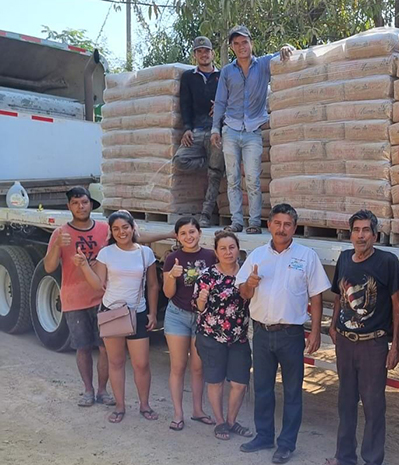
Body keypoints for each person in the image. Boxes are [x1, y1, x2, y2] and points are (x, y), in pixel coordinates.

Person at [44, 186, 171, 408]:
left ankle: (103, 391)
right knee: (83, 347)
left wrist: (168, 234)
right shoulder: (61, 233)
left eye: (84, 202)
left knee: (106, 350)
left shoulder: (105, 228)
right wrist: (56, 246)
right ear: (69, 206)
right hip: (75, 299)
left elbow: (136, 238)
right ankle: (88, 390)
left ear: (91, 204)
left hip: (106, 301)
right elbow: (49, 267)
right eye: (75, 203)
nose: (80, 207)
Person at [235, 203, 331, 464]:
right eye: (277, 223)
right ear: (269, 225)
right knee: (262, 388)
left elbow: (316, 296)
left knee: (292, 392)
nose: (282, 229)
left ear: (294, 228)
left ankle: (286, 444)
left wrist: (315, 332)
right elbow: (243, 293)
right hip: (262, 333)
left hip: (291, 334)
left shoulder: (307, 256)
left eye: (287, 224)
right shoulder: (257, 256)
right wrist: (249, 284)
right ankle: (264, 436)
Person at [325, 210, 399, 465]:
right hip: (345, 343)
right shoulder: (344, 258)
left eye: (366, 230)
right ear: (350, 235)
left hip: (373, 344)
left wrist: (395, 346)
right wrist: (333, 326)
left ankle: (372, 460)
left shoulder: (387, 262)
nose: (361, 235)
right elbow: (339, 296)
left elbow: (397, 306)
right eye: (356, 230)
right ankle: (344, 457)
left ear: (375, 235)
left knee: (373, 406)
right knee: (345, 403)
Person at [77, 210, 161, 424]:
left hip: (138, 313)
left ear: (133, 228)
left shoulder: (145, 253)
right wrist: (85, 266)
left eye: (125, 227)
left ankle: (144, 405)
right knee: (116, 362)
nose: (121, 232)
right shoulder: (106, 253)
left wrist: (152, 312)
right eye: (116, 229)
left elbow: (153, 285)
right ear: (111, 232)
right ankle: (120, 406)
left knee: (142, 364)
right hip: (112, 313)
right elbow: (98, 285)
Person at [210, 25, 294, 234]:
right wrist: (215, 129)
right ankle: (237, 221)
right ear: (232, 47)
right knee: (232, 179)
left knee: (253, 179)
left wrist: (287, 46)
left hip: (253, 131)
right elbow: (220, 102)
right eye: (236, 44)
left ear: (251, 44)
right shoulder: (227, 71)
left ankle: (254, 222)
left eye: (244, 42)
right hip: (231, 129)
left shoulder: (263, 64)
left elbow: (283, 54)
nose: (241, 47)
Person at [192, 229, 253, 441]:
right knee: (216, 381)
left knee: (240, 383)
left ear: (238, 249)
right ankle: (220, 422)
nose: (228, 252)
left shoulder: (246, 274)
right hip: (211, 337)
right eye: (223, 248)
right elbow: (197, 308)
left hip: (238, 337)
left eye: (232, 247)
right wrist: (201, 299)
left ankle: (231, 420)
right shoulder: (207, 275)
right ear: (216, 253)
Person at [162, 217, 217, 431]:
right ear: (177, 236)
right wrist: (171, 276)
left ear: (200, 233)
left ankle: (198, 410)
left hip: (202, 317)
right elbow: (168, 293)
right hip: (177, 315)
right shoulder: (172, 259)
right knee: (178, 366)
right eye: (183, 233)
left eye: (192, 232)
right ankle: (178, 414)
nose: (188, 237)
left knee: (198, 367)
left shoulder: (210, 256)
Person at [172, 36, 224, 228]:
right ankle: (211, 164)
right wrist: (187, 128)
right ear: (195, 55)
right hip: (196, 131)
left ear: (212, 53)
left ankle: (206, 214)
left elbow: (233, 98)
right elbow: (184, 104)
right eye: (199, 51)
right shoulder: (188, 77)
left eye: (207, 51)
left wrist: (221, 107)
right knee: (180, 160)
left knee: (214, 175)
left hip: (216, 131)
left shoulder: (222, 76)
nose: (204, 54)